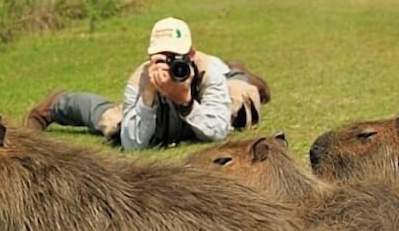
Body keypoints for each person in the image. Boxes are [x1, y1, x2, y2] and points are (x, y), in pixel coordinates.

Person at [25, 17, 269, 151]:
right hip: (157, 115)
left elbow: (217, 133)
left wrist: (185, 101)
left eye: (177, 58)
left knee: (242, 98)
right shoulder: (141, 78)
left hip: (206, 95)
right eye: (162, 59)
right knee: (109, 121)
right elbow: (133, 145)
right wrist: (149, 96)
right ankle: (54, 105)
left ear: (191, 54)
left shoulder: (206, 71)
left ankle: (238, 72)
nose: (170, 67)